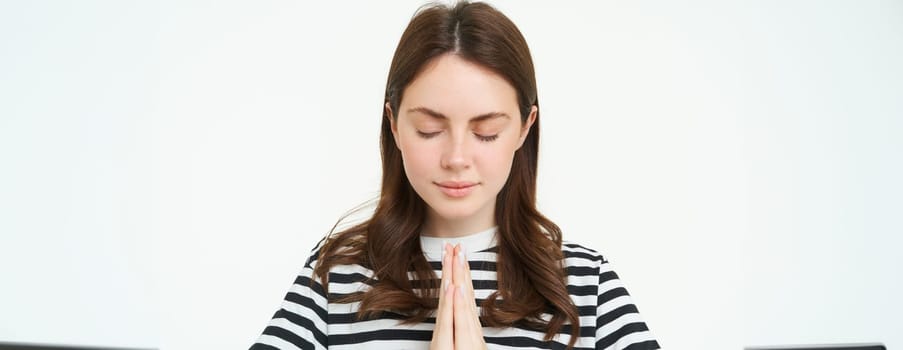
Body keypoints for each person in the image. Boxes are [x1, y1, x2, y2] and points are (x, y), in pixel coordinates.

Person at [250, 1, 660, 349]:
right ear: (393, 124)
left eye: (486, 133)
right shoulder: (336, 276)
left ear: (523, 127)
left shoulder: (586, 286)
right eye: (429, 130)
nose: (457, 158)